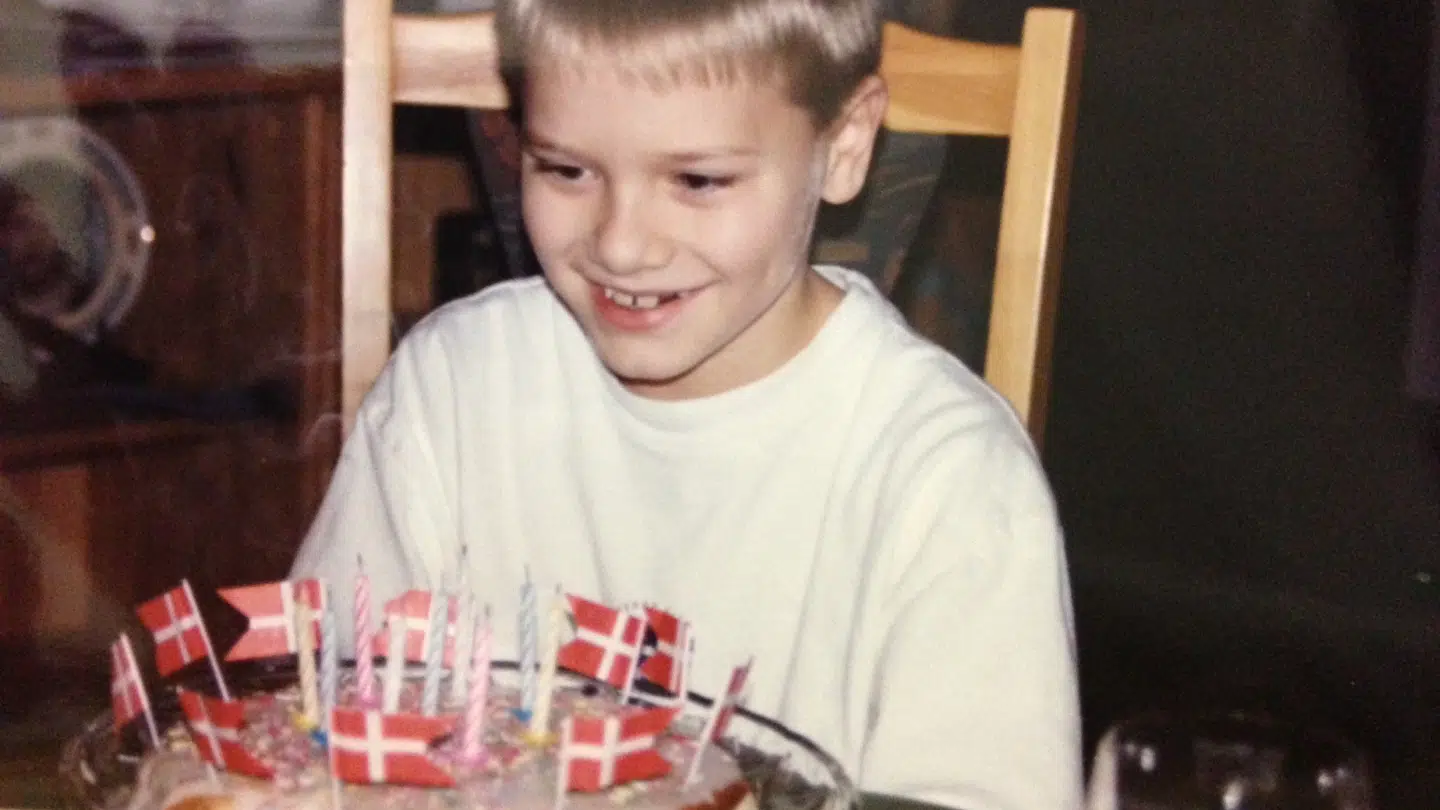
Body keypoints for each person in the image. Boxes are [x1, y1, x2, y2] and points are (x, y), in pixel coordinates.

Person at [291, 0, 1082, 806]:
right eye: (566, 169)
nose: (622, 245)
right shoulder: (450, 390)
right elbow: (313, 733)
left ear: (844, 145)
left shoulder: (947, 476)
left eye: (699, 180)